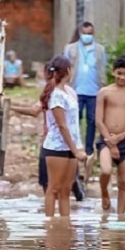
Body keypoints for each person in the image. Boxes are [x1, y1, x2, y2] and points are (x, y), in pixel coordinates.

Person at [95, 55, 125, 214]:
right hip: (106, 139)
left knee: (123, 181)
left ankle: (121, 217)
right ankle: (104, 192)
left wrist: (120, 137)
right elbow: (99, 120)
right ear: (113, 72)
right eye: (119, 73)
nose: (122, 77)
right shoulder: (104, 92)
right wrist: (111, 141)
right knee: (106, 171)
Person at [39, 55, 86, 217]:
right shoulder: (56, 95)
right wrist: (75, 150)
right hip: (56, 146)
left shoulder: (68, 93)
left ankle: (65, 224)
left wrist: (78, 146)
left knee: (66, 189)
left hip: (71, 146)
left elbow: (74, 125)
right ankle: (50, 223)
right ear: (67, 70)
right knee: (54, 187)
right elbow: (62, 125)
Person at [64, 22, 107, 157]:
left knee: (92, 120)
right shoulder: (71, 49)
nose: (87, 36)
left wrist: (103, 87)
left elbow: (103, 69)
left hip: (94, 91)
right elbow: (65, 68)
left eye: (89, 33)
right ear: (79, 33)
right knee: (74, 119)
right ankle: (74, 147)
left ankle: (89, 149)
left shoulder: (100, 49)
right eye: (84, 33)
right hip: (75, 90)